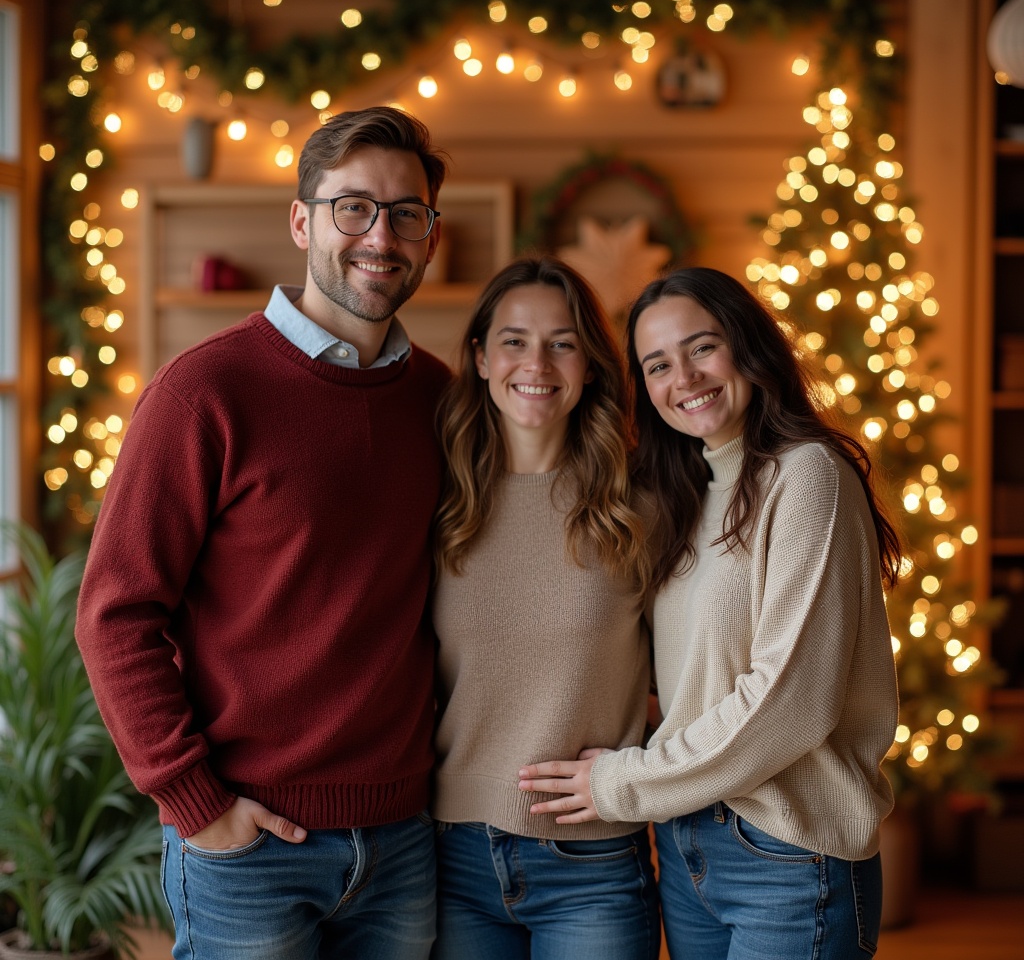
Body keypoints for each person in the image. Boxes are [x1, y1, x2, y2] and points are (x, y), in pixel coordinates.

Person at [76, 105, 452, 960]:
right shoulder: (203, 393)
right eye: (353, 207)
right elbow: (115, 615)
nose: (379, 236)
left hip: (402, 840)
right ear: (302, 220)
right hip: (247, 845)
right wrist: (194, 803)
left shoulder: (441, 401)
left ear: (432, 235)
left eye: (405, 214)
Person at [519, 266, 902, 960]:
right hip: (689, 842)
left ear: (748, 346)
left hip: (788, 852)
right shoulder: (686, 492)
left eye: (702, 347)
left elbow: (791, 702)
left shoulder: (807, 476)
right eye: (658, 364)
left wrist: (622, 782)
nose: (684, 378)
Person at [430, 256, 661, 960]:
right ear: (478, 357)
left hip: (592, 864)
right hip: (453, 852)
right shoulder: (437, 500)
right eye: (514, 340)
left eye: (562, 342)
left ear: (590, 364)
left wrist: (640, 764)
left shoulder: (639, 506)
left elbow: (701, 667)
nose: (538, 361)